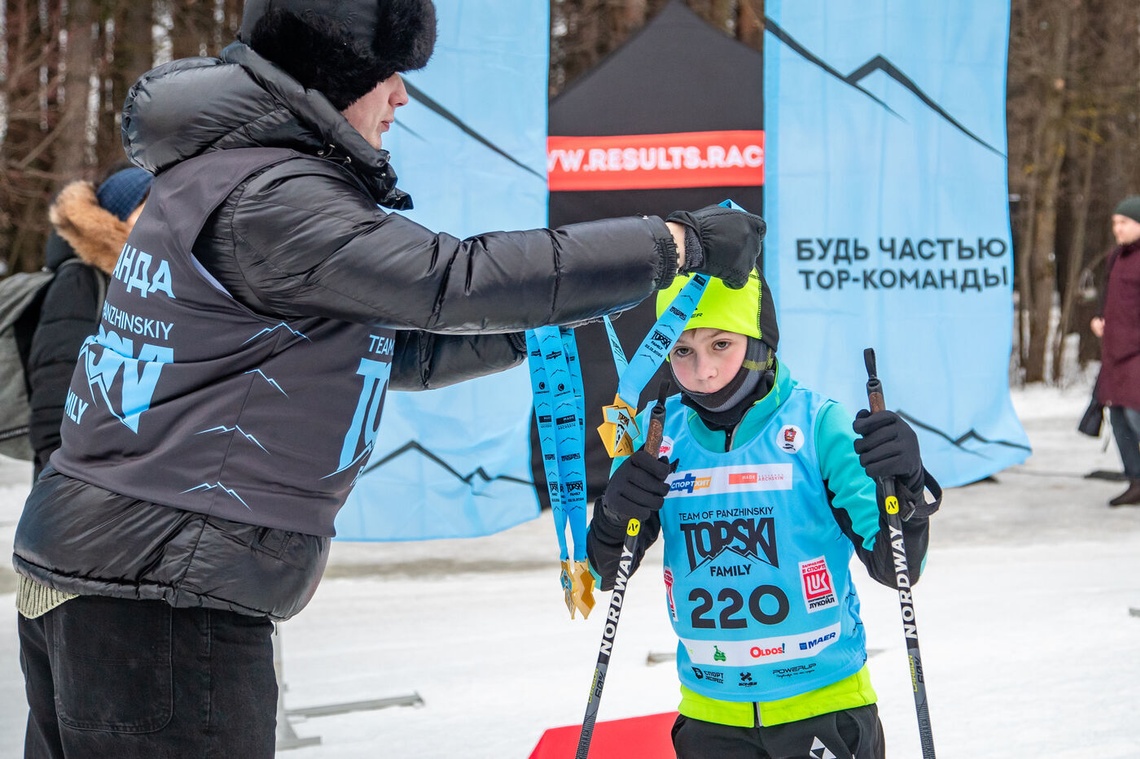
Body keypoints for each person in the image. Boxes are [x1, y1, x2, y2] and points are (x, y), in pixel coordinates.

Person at [10, 1, 766, 757]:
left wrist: (551, 313)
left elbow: (394, 347)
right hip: (156, 596)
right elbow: (455, 280)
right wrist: (677, 242)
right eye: (386, 74)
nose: (402, 95)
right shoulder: (271, 193)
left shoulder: (224, 176)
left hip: (119, 579)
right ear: (334, 75)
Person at [587, 269, 942, 759]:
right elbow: (604, 573)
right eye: (683, 350)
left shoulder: (818, 424)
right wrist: (612, 512)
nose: (703, 371)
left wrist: (905, 485)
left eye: (720, 345)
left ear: (758, 342)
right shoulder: (659, 436)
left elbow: (899, 566)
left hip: (823, 706)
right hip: (711, 716)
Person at [25, 166, 152, 480]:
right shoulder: (80, 280)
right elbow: (54, 386)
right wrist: (65, 473)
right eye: (147, 209)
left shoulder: (145, 282)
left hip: (127, 472)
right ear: (115, 217)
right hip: (79, 479)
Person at [1090, 195, 1140, 507]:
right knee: (1119, 419)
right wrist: (1099, 318)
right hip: (1115, 354)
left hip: (1136, 352)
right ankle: (1135, 480)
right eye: (1114, 223)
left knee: (1136, 416)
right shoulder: (1116, 257)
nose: (1117, 229)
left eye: (1123, 223)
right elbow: (1109, 295)